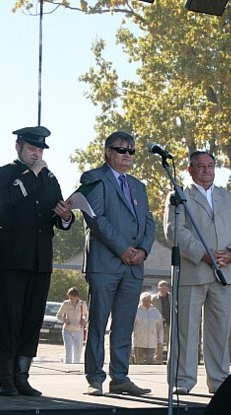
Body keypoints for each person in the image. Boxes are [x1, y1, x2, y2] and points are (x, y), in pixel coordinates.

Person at [0, 125, 73, 397]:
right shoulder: (4, 174)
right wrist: (33, 174)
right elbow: (9, 199)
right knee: (9, 318)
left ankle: (22, 376)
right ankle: (6, 378)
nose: (37, 155)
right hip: (13, 258)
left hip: (40, 259)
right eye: (32, 149)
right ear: (18, 148)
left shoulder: (50, 178)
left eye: (40, 150)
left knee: (31, 320)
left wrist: (65, 216)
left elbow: (59, 216)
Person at [164, 150, 231, 394]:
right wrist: (204, 254)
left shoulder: (229, 198)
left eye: (210, 165)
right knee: (186, 331)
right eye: (200, 166)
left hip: (224, 273)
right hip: (193, 271)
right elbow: (175, 232)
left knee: (220, 332)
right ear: (190, 169)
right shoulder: (179, 196)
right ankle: (183, 380)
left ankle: (219, 383)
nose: (206, 170)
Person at [81, 130, 155, 396]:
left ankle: (120, 377)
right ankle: (95, 378)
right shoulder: (93, 178)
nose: (127, 155)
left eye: (131, 151)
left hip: (134, 267)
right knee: (99, 323)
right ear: (107, 152)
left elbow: (149, 222)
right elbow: (96, 219)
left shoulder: (138, 186)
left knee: (124, 325)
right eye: (121, 150)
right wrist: (122, 249)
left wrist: (144, 251)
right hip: (105, 264)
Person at [56, 287, 89, 364]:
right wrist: (64, 320)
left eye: (74, 297)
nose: (72, 299)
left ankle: (76, 367)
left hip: (79, 330)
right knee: (69, 351)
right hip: (68, 330)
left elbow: (86, 314)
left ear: (77, 296)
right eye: (70, 297)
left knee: (78, 351)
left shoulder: (82, 304)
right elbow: (58, 315)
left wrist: (84, 320)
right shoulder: (66, 304)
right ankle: (68, 367)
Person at [132, 292, 164, 365]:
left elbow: (160, 328)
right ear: (141, 301)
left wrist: (160, 340)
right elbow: (132, 326)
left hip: (152, 341)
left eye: (148, 300)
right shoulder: (136, 311)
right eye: (144, 300)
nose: (146, 302)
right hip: (138, 341)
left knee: (151, 361)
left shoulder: (155, 312)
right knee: (139, 362)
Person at [151, 280, 171, 364]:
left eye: (165, 287)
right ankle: (158, 360)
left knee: (170, 343)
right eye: (161, 287)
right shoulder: (154, 298)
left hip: (170, 323)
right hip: (158, 324)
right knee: (159, 343)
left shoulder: (172, 297)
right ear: (158, 288)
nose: (163, 289)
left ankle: (171, 361)